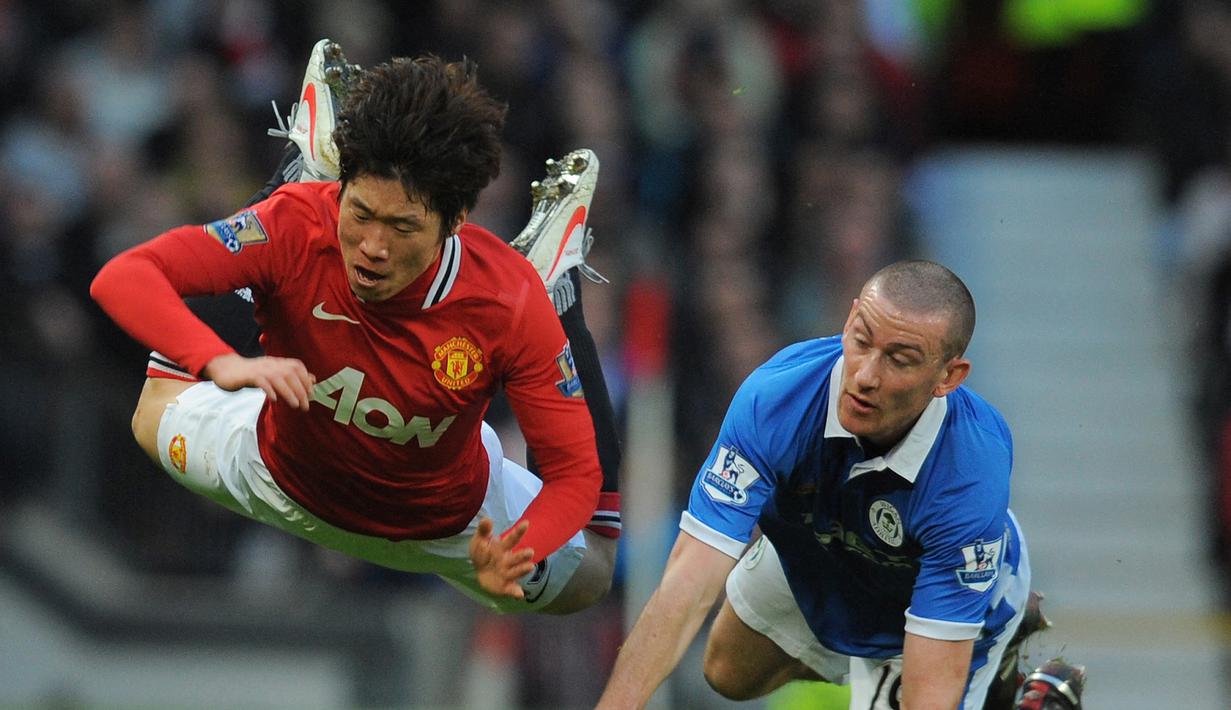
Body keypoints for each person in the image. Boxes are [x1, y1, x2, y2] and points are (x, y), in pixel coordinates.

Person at [89, 41, 622, 614]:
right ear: (341, 190)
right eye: (360, 213)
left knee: (593, 573)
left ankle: (557, 288)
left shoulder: (507, 301)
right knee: (151, 413)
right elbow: (124, 276)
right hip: (275, 476)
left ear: (456, 222)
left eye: (402, 227)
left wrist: (522, 550)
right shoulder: (299, 224)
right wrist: (221, 360)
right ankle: (305, 170)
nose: (372, 247)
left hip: (450, 529)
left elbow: (574, 476)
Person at [596, 260, 1084, 709]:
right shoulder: (777, 398)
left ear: (948, 376)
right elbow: (687, 583)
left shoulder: (969, 471)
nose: (866, 375)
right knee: (727, 671)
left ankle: (1003, 689)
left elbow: (929, 696)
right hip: (824, 543)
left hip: (927, 594)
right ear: (850, 319)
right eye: (862, 339)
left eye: (900, 359)